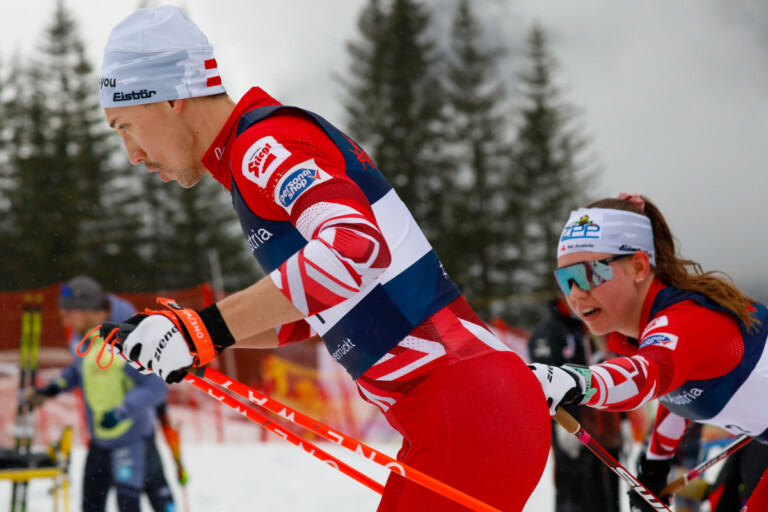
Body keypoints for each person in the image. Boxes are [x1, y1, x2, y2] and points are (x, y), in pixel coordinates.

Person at [93, 5, 551, 511]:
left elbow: (355, 247)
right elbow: (318, 308)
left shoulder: (260, 146)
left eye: (125, 126)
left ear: (171, 97)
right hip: (458, 413)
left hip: (466, 408)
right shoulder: (251, 160)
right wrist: (191, 333)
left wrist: (206, 329)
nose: (131, 154)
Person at [528, 193, 768, 512]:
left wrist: (573, 381)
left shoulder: (683, 321)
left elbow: (646, 376)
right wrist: (654, 467)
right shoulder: (638, 334)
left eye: (588, 273)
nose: (575, 293)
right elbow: (679, 394)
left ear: (639, 265)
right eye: (565, 279)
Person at [26, 276, 176, 512]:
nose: (65, 321)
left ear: (84, 309)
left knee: (137, 500)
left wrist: (122, 411)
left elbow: (155, 387)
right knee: (91, 505)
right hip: (100, 439)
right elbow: (79, 369)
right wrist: (52, 389)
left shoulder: (127, 335)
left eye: (67, 314)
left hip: (132, 437)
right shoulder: (84, 336)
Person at [528, 296, 622, 512]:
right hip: (572, 424)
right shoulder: (550, 331)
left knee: (607, 490)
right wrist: (563, 424)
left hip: (605, 426)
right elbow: (545, 382)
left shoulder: (597, 326)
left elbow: (614, 373)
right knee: (576, 488)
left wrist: (622, 420)